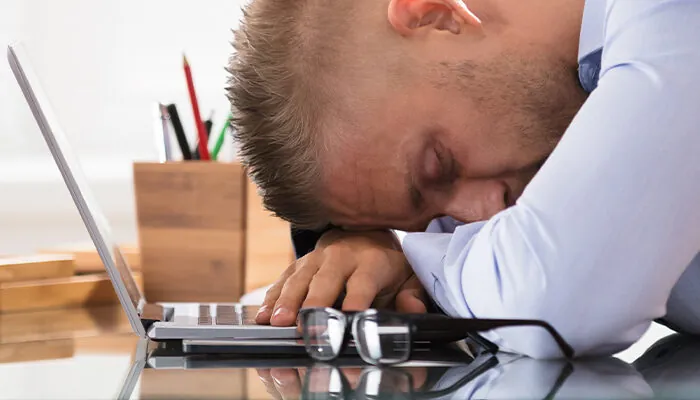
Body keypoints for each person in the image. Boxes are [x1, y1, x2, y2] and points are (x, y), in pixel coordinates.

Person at [226, 0, 700, 358]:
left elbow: (550, 301)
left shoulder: (668, 17)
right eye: (438, 217)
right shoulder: (548, 125)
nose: (487, 213)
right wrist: (369, 250)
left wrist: (410, 249)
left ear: (435, 15)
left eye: (440, 164)